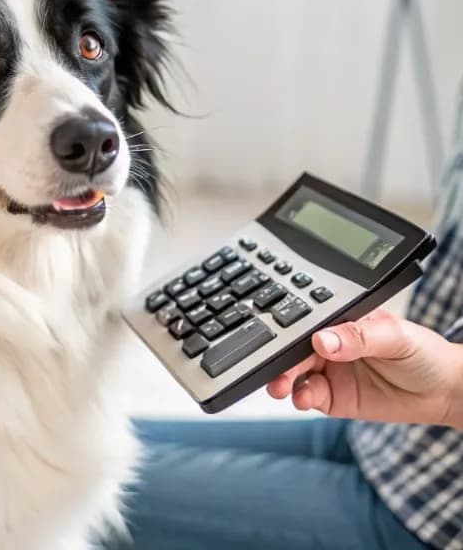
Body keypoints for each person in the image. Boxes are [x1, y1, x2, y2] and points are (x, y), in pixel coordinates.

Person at [108, 92, 463, 550]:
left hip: (429, 514)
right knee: (73, 445)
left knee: (53, 491)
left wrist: (452, 392)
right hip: (392, 435)